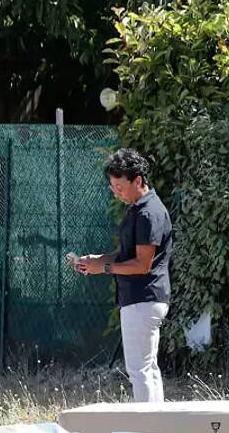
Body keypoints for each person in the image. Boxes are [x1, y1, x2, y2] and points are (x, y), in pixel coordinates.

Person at [73, 148, 173, 403]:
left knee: (139, 371)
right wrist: (97, 261)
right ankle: (158, 426)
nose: (116, 192)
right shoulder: (140, 208)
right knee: (148, 369)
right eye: (112, 187)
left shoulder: (148, 212)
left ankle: (149, 432)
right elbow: (125, 255)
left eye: (119, 186)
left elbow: (142, 264)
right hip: (145, 298)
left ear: (137, 180)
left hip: (143, 298)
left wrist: (104, 268)